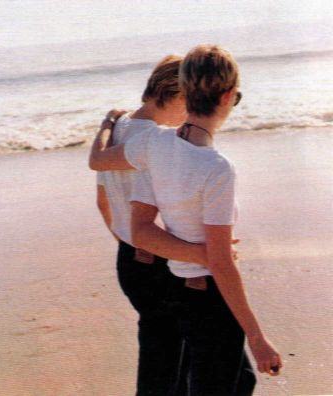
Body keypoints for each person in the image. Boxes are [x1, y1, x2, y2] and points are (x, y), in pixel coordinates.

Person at [89, 44, 283, 395]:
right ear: (226, 97)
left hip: (178, 286)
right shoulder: (217, 168)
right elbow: (221, 263)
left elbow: (139, 230)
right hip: (207, 292)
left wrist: (107, 125)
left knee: (199, 378)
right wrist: (258, 337)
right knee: (221, 383)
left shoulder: (154, 146)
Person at [92, 55, 211, 396]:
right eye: (190, 103)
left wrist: (130, 244)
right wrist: (200, 254)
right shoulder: (161, 140)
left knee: (162, 359)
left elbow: (103, 202)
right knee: (194, 364)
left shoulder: (118, 130)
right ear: (170, 94)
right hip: (168, 261)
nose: (192, 114)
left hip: (130, 261)